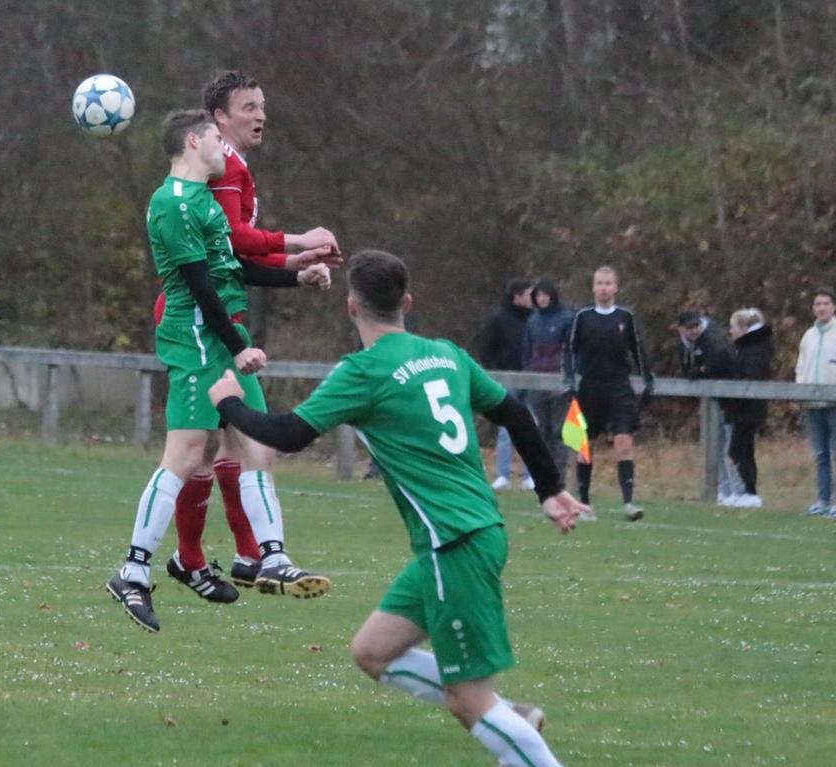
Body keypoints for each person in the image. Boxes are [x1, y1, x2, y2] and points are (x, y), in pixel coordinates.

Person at [209, 249, 587, 767]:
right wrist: (549, 488)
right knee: (372, 651)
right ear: (406, 301)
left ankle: (511, 733)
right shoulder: (446, 354)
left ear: (350, 307)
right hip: (466, 535)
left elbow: (290, 435)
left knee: (466, 700)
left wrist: (228, 401)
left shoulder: (364, 372)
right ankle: (509, 721)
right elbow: (515, 413)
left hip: (453, 544)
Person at [106, 109, 333, 633]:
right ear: (192, 141)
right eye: (214, 139)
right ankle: (133, 570)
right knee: (185, 455)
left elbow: (234, 269)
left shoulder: (203, 203)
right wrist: (237, 347)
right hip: (196, 341)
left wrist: (299, 275)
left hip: (221, 338)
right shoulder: (172, 204)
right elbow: (200, 286)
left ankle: (272, 557)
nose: (222, 149)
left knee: (255, 444)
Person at [161, 69, 343, 594]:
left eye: (262, 106)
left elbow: (234, 257)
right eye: (248, 107)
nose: (260, 115)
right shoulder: (220, 169)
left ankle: (243, 555)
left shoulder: (234, 166)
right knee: (216, 445)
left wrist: (295, 266)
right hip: (199, 320)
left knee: (227, 446)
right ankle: (226, 557)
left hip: (217, 314)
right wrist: (297, 243)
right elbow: (235, 243)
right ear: (218, 118)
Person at [567, 266, 653, 521]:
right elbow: (569, 351)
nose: (603, 288)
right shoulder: (582, 317)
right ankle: (584, 503)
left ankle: (628, 503)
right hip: (590, 387)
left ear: (616, 288)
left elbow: (637, 349)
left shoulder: (625, 317)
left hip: (619, 386)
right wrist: (569, 382)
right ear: (593, 288)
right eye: (599, 283)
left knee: (623, 442)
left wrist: (648, 380)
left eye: (608, 283)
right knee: (585, 446)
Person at [795, 289, 836, 517]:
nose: (821, 308)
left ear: (834, 307)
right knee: (820, 455)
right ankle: (823, 499)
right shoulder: (808, 335)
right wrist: (801, 388)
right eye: (817, 304)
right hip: (811, 403)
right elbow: (801, 366)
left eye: (825, 303)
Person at [675, 311, 742, 504]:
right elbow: (687, 370)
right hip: (712, 399)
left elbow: (718, 364)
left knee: (730, 445)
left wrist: (700, 370)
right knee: (716, 444)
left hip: (730, 397)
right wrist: (697, 371)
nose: (694, 331)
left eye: (696, 326)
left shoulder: (712, 338)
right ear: (681, 329)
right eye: (689, 328)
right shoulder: (683, 344)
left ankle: (738, 491)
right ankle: (723, 489)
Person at [478, 277, 534, 490]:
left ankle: (530, 474)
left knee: (531, 427)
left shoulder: (534, 318)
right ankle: (503, 474)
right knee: (506, 428)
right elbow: (486, 347)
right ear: (517, 296)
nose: (533, 299)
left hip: (531, 379)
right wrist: (496, 371)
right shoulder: (498, 318)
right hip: (506, 378)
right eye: (528, 295)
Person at [521, 280, 576, 492]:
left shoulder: (566, 318)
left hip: (558, 381)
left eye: (545, 295)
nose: (542, 299)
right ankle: (543, 478)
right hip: (536, 381)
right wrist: (527, 375)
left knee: (558, 431)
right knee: (541, 432)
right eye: (539, 295)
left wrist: (569, 376)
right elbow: (526, 350)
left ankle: (558, 479)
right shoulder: (533, 320)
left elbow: (572, 349)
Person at [721, 309, 773, 508]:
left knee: (739, 450)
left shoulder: (754, 349)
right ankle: (743, 491)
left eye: (733, 327)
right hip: (742, 408)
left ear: (743, 328)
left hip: (748, 408)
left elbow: (750, 378)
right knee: (741, 450)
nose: (731, 331)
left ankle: (750, 492)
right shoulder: (746, 348)